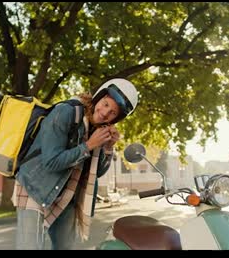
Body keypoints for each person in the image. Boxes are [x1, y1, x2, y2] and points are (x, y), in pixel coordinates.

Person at [12, 78, 139, 250]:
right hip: (36, 187)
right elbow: (51, 162)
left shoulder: (98, 129)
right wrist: (89, 145)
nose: (104, 113)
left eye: (113, 113)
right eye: (106, 104)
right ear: (99, 96)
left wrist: (108, 148)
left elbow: (97, 172)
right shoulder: (66, 112)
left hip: (66, 194)